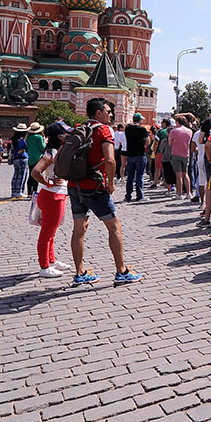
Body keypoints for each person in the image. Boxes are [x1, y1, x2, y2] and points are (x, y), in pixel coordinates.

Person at [67, 98, 142, 286]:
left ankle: (80, 273)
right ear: (98, 113)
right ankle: (122, 271)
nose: (110, 114)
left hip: (74, 184)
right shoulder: (103, 130)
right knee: (114, 226)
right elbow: (110, 160)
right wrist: (110, 182)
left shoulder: (79, 128)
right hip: (94, 186)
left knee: (78, 230)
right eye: (108, 111)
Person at [28, 122, 73, 278]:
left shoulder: (55, 150)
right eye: (65, 133)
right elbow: (35, 171)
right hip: (52, 195)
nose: (68, 135)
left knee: (51, 232)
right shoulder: (51, 152)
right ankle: (44, 266)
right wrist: (48, 182)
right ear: (59, 137)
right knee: (47, 233)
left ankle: (51, 260)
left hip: (53, 194)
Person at [123, 113, 149, 202]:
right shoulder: (142, 129)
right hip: (140, 154)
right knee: (139, 176)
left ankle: (128, 195)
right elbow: (147, 141)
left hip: (130, 154)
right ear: (139, 120)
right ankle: (139, 195)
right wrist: (143, 146)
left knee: (130, 176)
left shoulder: (128, 128)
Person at [169, 115, 193, 201]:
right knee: (185, 174)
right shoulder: (189, 131)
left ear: (177, 122)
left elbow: (169, 144)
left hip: (176, 154)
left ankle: (179, 193)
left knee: (178, 175)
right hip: (186, 154)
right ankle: (189, 193)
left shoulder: (174, 131)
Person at [25, 123, 46, 197]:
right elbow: (42, 147)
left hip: (30, 158)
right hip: (38, 158)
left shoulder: (28, 137)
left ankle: (29, 193)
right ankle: (34, 191)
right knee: (36, 175)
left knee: (30, 175)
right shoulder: (39, 137)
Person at [9, 124, 29, 199]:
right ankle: (19, 192)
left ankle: (14, 191)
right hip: (22, 158)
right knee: (22, 176)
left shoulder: (13, 139)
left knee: (16, 175)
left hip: (15, 159)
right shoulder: (22, 140)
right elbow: (25, 149)